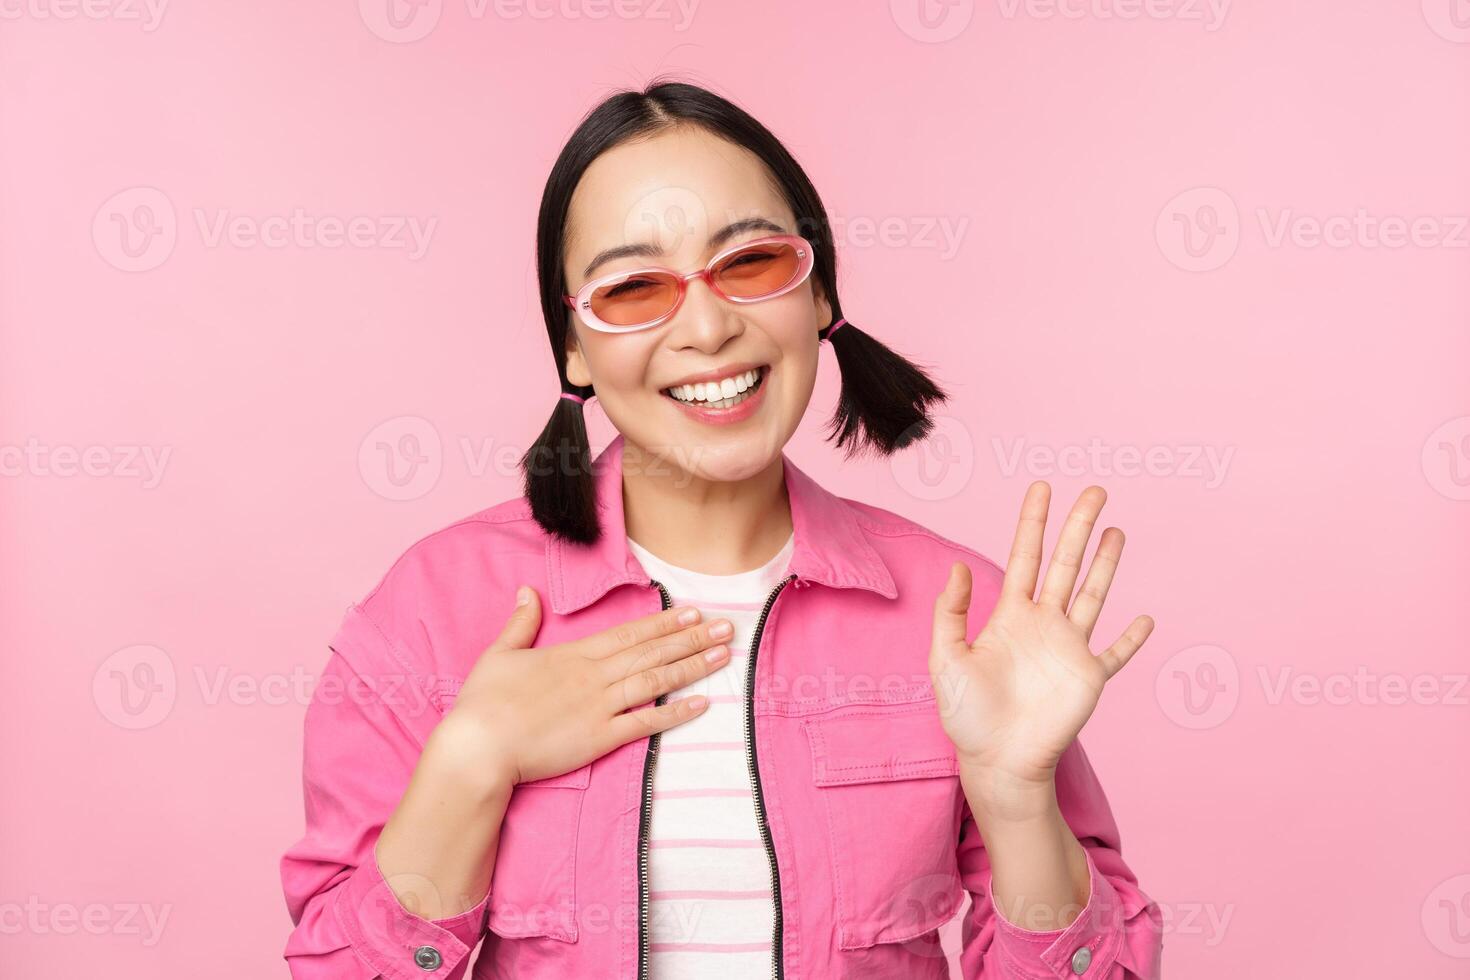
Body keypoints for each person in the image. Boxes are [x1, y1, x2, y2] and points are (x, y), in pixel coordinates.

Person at [280, 77, 1165, 979]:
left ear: (819, 294)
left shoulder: (960, 618)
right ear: (573, 349)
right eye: (632, 289)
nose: (706, 327)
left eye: (750, 265)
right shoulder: (432, 610)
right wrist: (472, 762)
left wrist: (1018, 801)